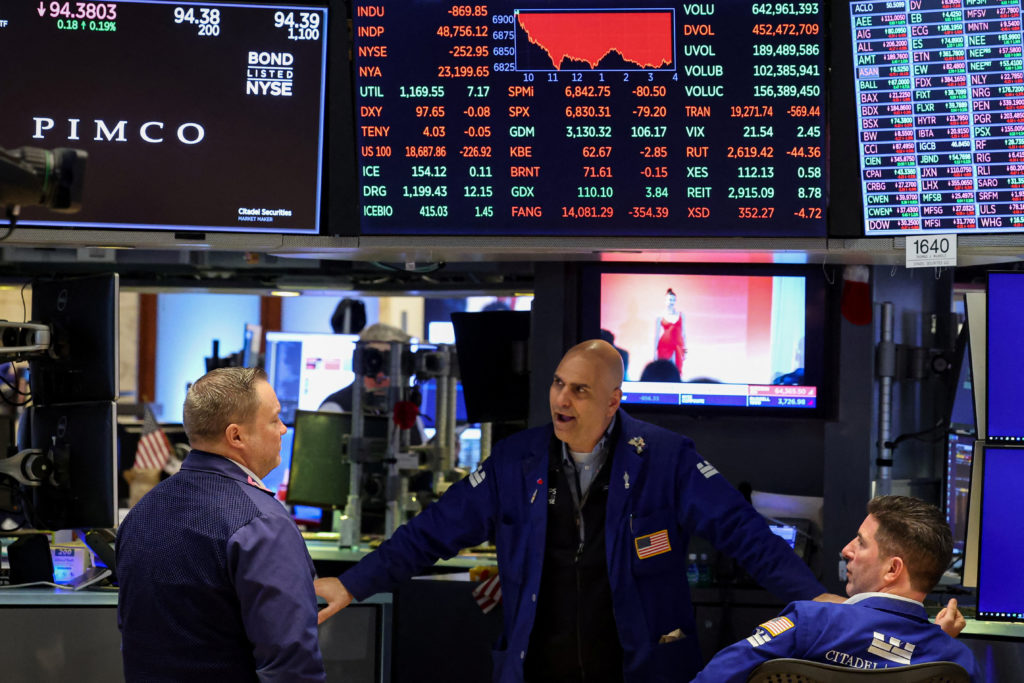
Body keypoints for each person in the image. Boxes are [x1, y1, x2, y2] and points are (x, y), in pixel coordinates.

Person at [314, 339, 841, 682]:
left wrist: (814, 598)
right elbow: (432, 531)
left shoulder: (665, 457)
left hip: (639, 667)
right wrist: (354, 583)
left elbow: (741, 532)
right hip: (540, 666)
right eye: (558, 384)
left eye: (580, 390)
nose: (562, 399)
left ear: (613, 401)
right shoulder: (516, 461)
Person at [116, 367, 325, 682]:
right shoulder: (261, 523)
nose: (283, 429)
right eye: (274, 419)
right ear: (236, 436)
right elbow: (291, 665)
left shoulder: (142, 512)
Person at [690, 495, 980, 682]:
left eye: (861, 542)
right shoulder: (957, 661)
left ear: (892, 569)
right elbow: (895, 651)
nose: (846, 550)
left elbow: (713, 679)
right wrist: (939, 642)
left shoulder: (810, 622)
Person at [318, 322, 411, 413]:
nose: (381, 375)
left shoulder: (407, 413)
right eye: (375, 362)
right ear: (360, 361)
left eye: (390, 363)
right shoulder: (334, 409)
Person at [655, 288, 686, 374]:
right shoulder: (660, 316)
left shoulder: (681, 315)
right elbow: (656, 335)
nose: (671, 301)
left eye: (673, 300)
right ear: (665, 300)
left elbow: (684, 334)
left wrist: (685, 351)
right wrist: (654, 352)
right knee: (664, 370)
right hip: (664, 346)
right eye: (669, 299)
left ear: (675, 301)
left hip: (678, 346)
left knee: (677, 371)